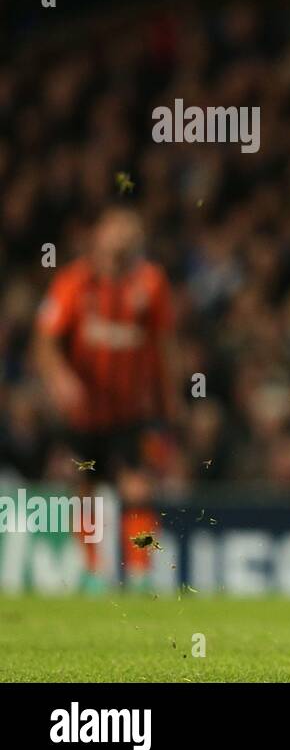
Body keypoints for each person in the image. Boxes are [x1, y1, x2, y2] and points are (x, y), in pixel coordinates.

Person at [33, 207, 179, 584]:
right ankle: (92, 572)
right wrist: (60, 378)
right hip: (84, 412)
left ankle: (143, 571)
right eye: (115, 228)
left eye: (130, 230)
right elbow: (45, 341)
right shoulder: (73, 283)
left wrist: (170, 397)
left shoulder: (151, 283)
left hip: (131, 410)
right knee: (87, 489)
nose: (123, 237)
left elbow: (163, 344)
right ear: (98, 234)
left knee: (137, 486)